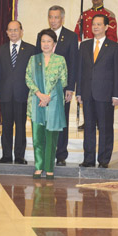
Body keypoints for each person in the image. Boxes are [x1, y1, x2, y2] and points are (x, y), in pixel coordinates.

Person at [77, 14, 118, 168]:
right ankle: (88, 159)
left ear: (106, 27)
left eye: (98, 24)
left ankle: (103, 160)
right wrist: (79, 92)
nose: (95, 27)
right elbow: (80, 71)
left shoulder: (115, 47)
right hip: (87, 93)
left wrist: (116, 95)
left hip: (105, 94)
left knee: (105, 127)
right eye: (93, 24)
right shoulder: (84, 46)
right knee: (89, 127)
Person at [35, 6, 78, 166]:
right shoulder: (42, 35)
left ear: (62, 18)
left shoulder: (71, 37)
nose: (53, 20)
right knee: (44, 121)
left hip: (61, 89)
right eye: (51, 17)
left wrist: (70, 88)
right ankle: (46, 153)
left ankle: (61, 155)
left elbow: (74, 63)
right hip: (43, 89)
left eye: (56, 17)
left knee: (60, 120)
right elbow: (37, 59)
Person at [26, 29, 68, 179]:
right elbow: (28, 79)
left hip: (54, 103)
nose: (45, 44)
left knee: (51, 138)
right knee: (38, 137)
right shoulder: (33, 59)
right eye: (43, 41)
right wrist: (40, 95)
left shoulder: (60, 60)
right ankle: (38, 166)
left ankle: (49, 167)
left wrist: (49, 96)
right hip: (36, 103)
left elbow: (63, 81)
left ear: (54, 44)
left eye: (49, 41)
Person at [0, 20, 36, 164]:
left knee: (20, 126)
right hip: (5, 94)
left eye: (16, 30)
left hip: (22, 94)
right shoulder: (0, 49)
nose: (13, 33)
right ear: (6, 32)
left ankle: (19, 156)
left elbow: (33, 73)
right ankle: (6, 155)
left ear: (21, 31)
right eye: (10, 30)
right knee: (6, 126)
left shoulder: (31, 49)